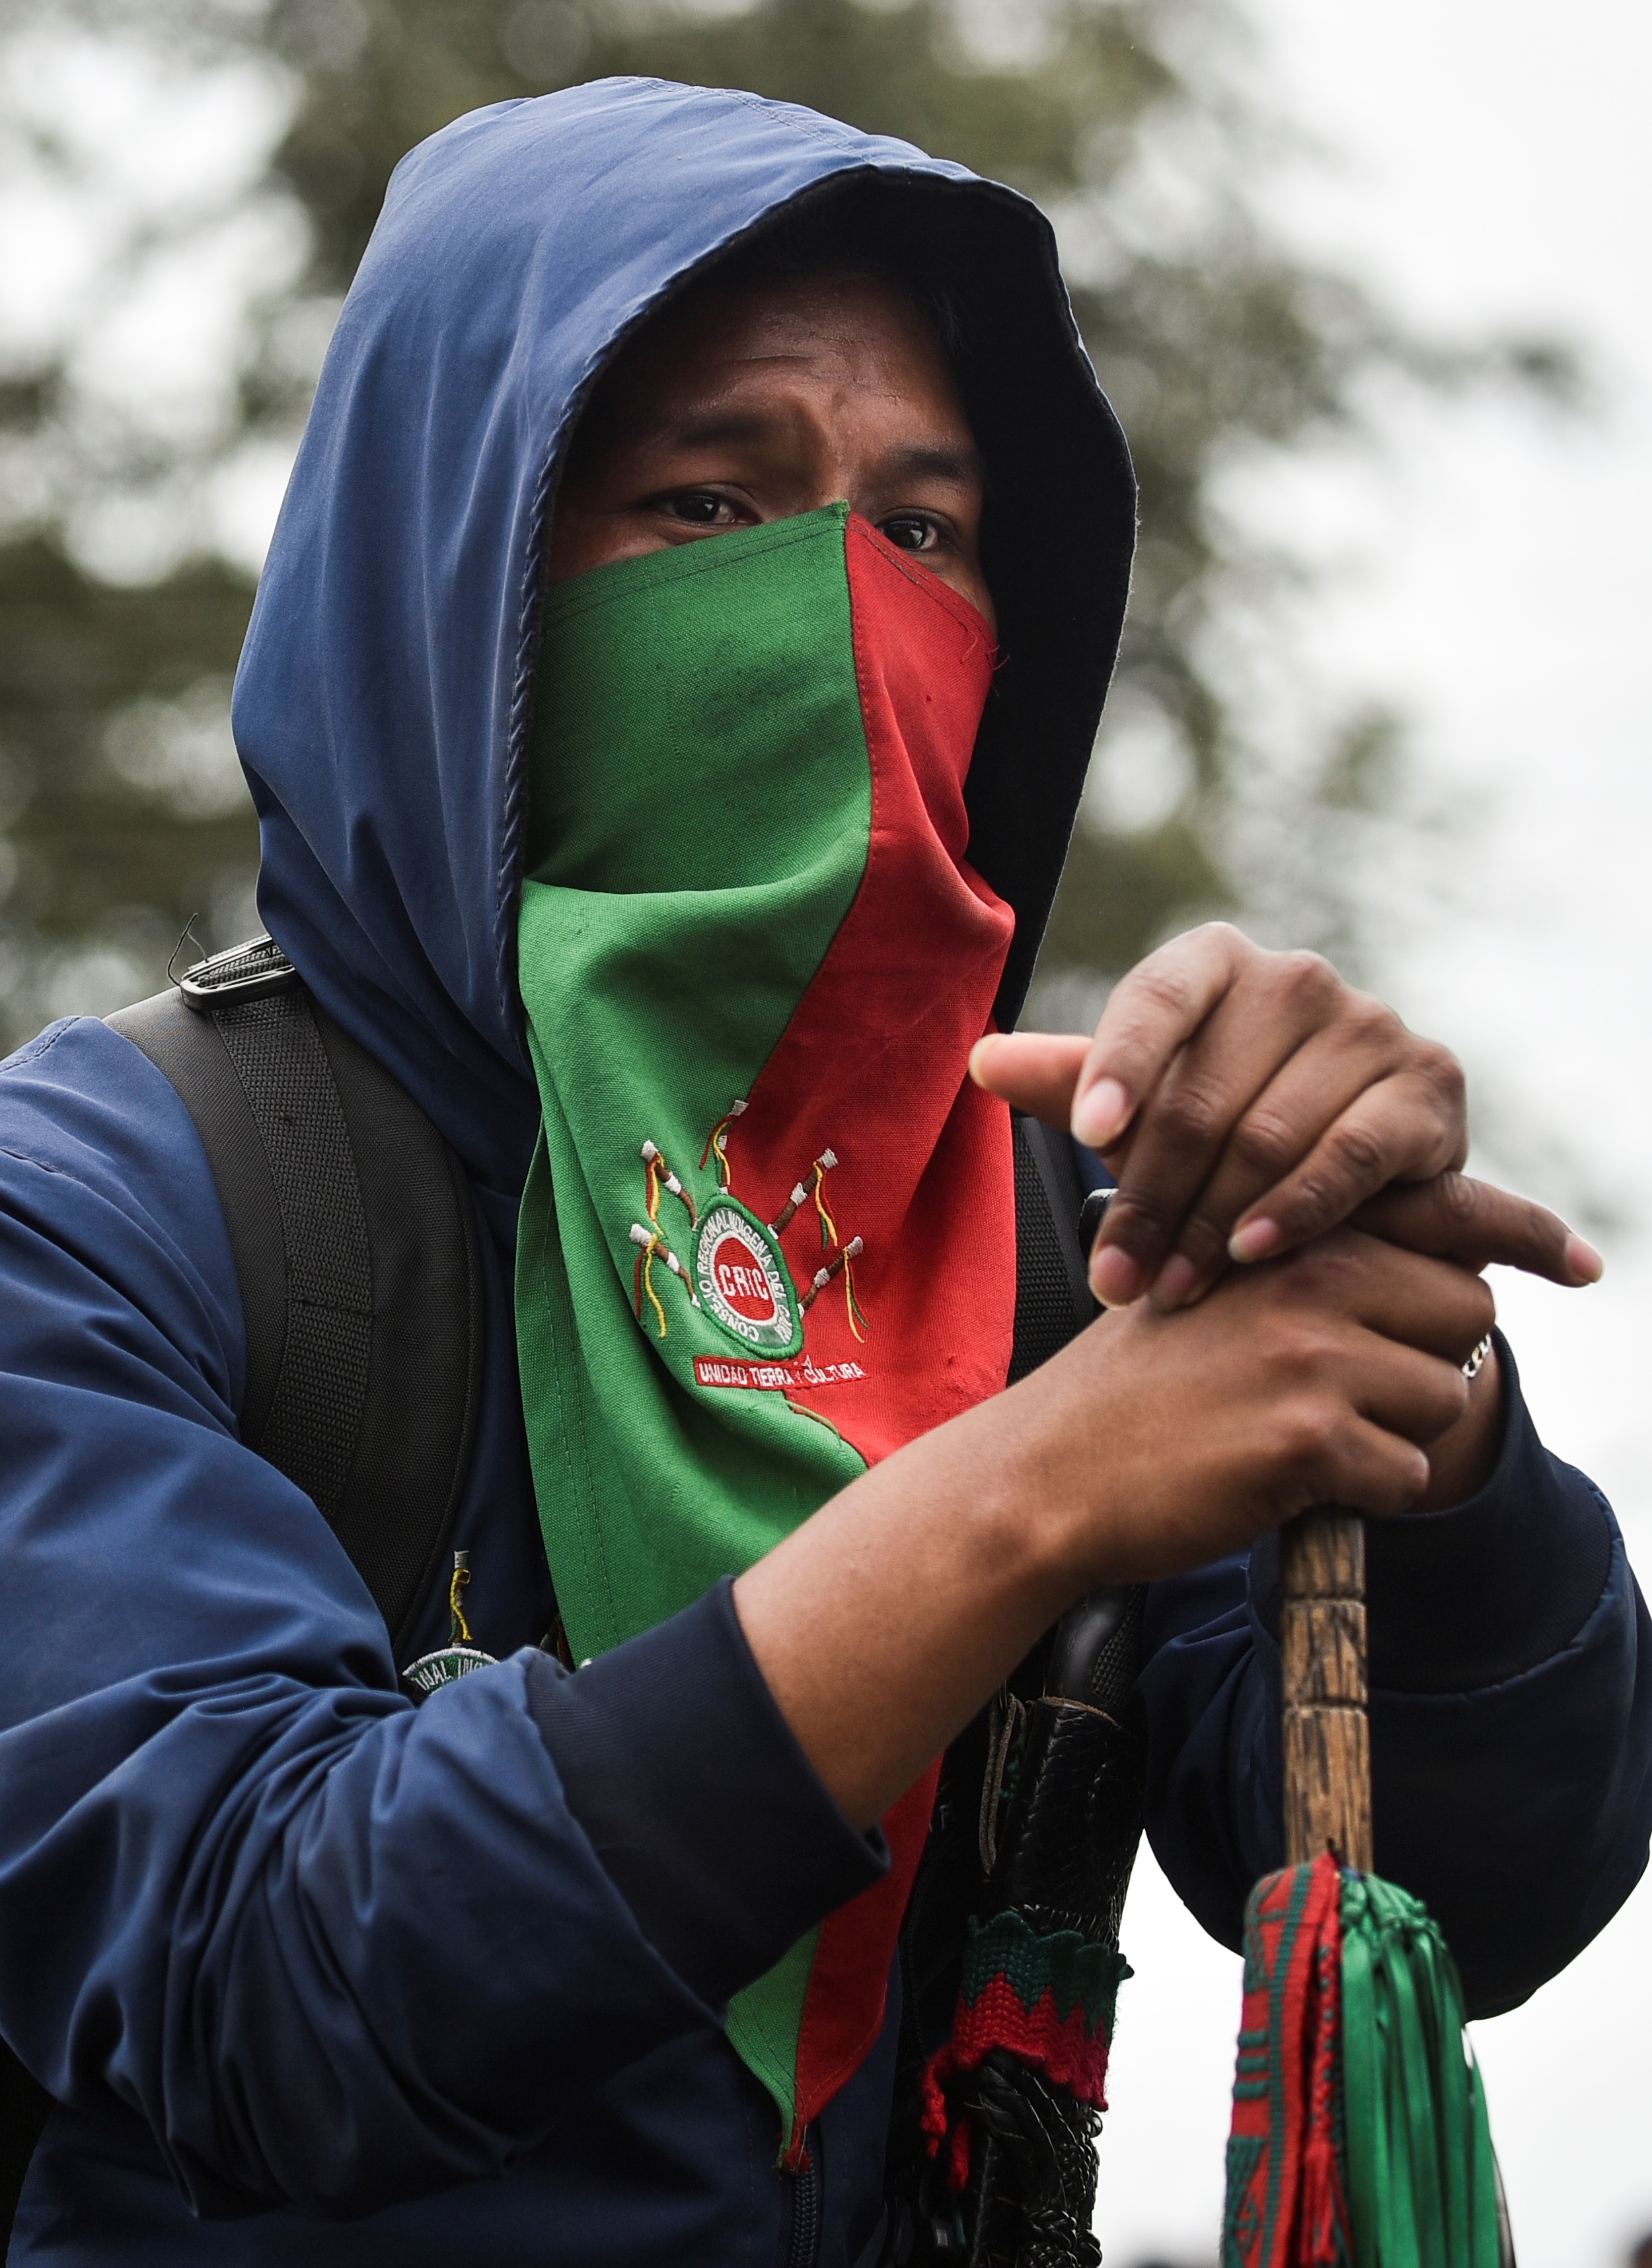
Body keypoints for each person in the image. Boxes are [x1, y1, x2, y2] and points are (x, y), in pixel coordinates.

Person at [0, 75, 1644, 2268]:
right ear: (456, 570)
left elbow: (1475, 1892)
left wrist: (1396, 1396)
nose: (844, 618)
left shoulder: (1055, 1229)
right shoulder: (115, 1204)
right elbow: (259, 1977)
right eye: (706, 507)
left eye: (926, 530)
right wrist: (1026, 1491)